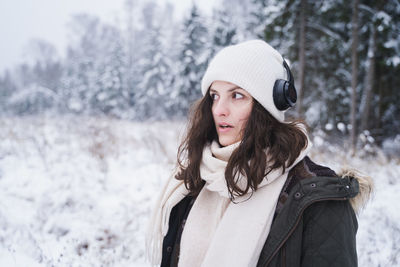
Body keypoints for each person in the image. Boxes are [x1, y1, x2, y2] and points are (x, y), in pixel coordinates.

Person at [146, 40, 372, 267]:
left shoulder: (319, 201)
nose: (220, 110)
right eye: (215, 96)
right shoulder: (194, 179)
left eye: (236, 96)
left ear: (266, 107)